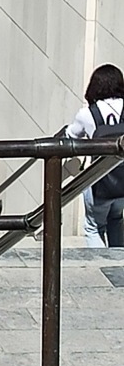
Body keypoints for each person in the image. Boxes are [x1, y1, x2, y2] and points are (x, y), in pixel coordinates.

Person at [67, 63, 124, 246]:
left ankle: (98, 266)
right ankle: (117, 265)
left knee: (94, 227)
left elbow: (71, 135)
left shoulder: (87, 114)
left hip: (99, 181)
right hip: (123, 180)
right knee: (116, 220)